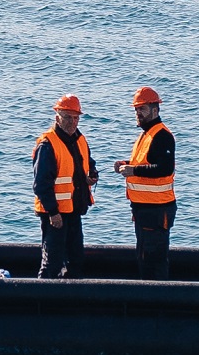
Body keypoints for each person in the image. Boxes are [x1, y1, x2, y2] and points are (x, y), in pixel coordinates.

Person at [114, 86, 177, 280]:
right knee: (144, 257)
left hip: (157, 210)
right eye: (136, 109)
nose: (138, 113)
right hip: (144, 210)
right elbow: (146, 163)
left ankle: (159, 303)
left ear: (155, 110)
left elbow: (164, 168)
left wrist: (133, 170)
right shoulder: (146, 134)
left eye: (142, 109)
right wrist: (126, 164)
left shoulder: (162, 136)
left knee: (154, 260)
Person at [32, 94, 98, 278]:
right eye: (68, 117)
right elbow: (41, 184)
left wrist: (92, 176)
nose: (72, 122)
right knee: (51, 262)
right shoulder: (47, 144)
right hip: (56, 216)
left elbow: (88, 164)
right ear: (57, 117)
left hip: (74, 211)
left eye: (76, 117)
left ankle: (69, 301)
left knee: (75, 260)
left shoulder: (80, 139)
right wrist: (53, 213)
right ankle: (43, 300)